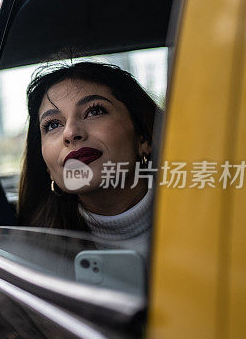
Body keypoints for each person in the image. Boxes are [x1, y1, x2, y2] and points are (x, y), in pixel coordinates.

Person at [16, 61, 162, 253]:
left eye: (94, 111)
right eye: (53, 125)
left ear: (143, 137)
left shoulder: (210, 218)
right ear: (47, 169)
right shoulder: (30, 255)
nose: (70, 133)